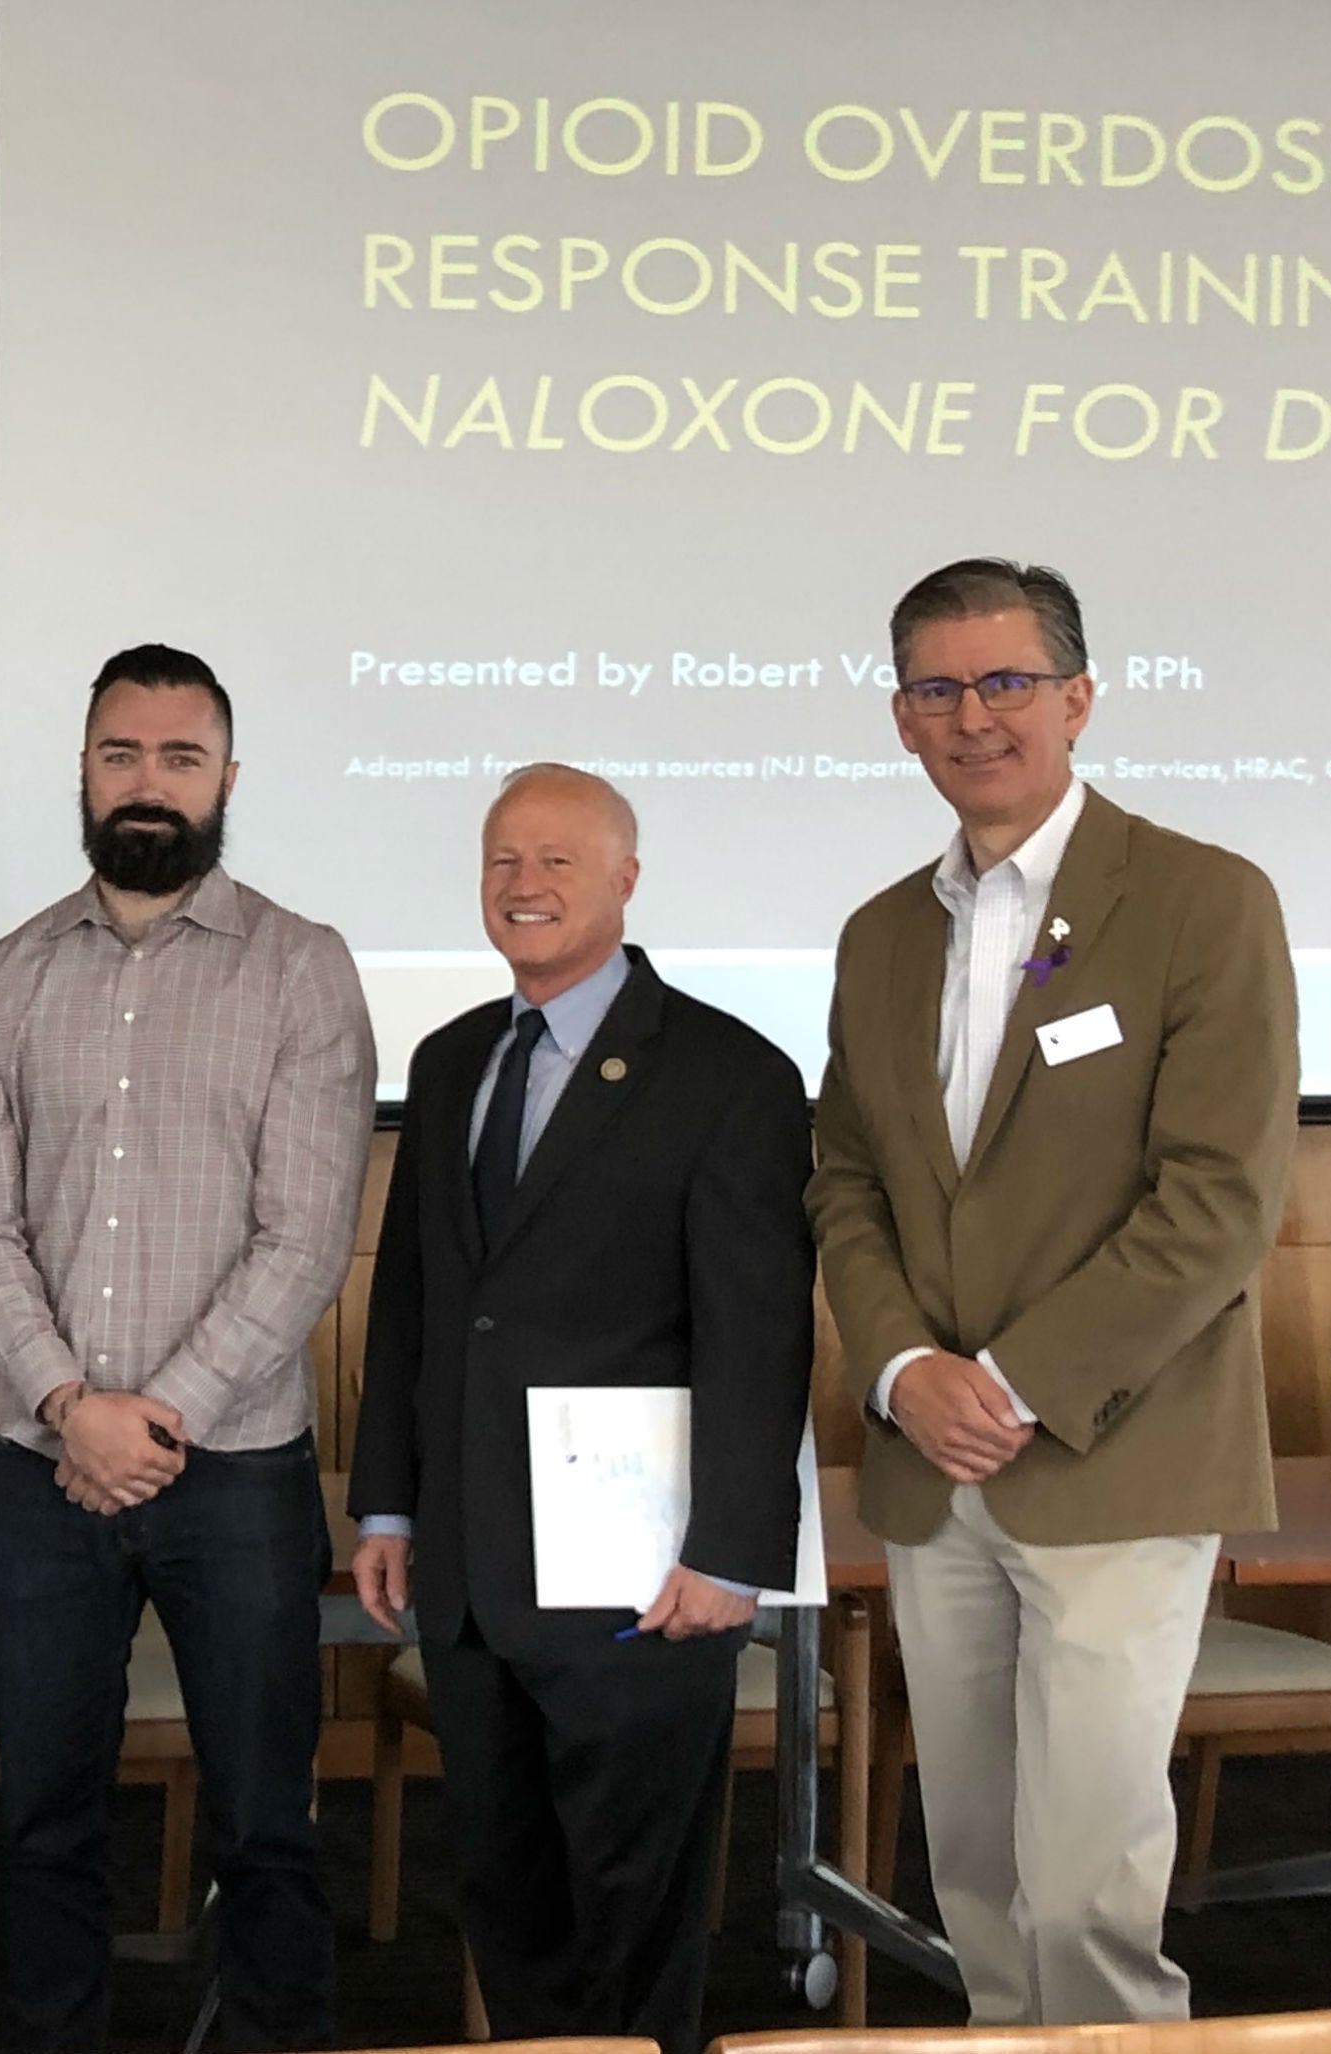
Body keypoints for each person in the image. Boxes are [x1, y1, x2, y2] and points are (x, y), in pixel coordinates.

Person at [810, 558, 1296, 2024]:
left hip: (1109, 1455)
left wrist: (1005, 1384)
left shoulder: (1200, 901)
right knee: (977, 1883)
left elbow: (1216, 1203)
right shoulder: (878, 932)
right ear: (899, 719)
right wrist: (902, 1372)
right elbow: (842, 1177)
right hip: (930, 1469)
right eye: (939, 689)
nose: (975, 716)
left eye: (1006, 681)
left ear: (1077, 698)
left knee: (1086, 1896)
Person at [0, 643, 375, 2051]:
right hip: (40, 1471)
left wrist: (154, 1416)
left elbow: (305, 1237)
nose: (147, 782)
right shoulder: (3, 982)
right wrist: (70, 1406)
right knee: (42, 1819)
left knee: (264, 1821)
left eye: (178, 757)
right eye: (120, 753)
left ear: (226, 778)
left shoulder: (302, 971)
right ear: (81, 770)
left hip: (234, 1474)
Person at [348, 764, 813, 2054]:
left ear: (625, 879)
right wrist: (389, 1497)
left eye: (558, 860)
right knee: (507, 1900)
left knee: (635, 1910)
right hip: (470, 1570)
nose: (524, 884)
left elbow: (757, 1337)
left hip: (642, 1578)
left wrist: (732, 1547)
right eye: (503, 860)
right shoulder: (450, 1062)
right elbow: (416, 1303)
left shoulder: (730, 1073)